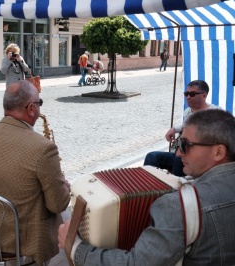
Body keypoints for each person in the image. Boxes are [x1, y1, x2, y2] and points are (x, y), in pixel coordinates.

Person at [59, 108, 235, 265]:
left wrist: (75, 247)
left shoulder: (179, 206)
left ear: (218, 152)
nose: (178, 152)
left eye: (185, 145)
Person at [0, 80, 71, 265]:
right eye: (39, 103)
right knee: (69, 220)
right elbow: (58, 205)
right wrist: (64, 187)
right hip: (22, 244)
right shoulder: (43, 148)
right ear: (31, 108)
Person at [144, 80, 220, 176]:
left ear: (204, 96)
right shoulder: (188, 111)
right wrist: (174, 129)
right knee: (152, 156)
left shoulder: (215, 112)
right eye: (186, 93)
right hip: (185, 155)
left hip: (201, 158)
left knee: (180, 157)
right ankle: (146, 188)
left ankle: (176, 187)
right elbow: (185, 125)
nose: (188, 97)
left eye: (192, 94)